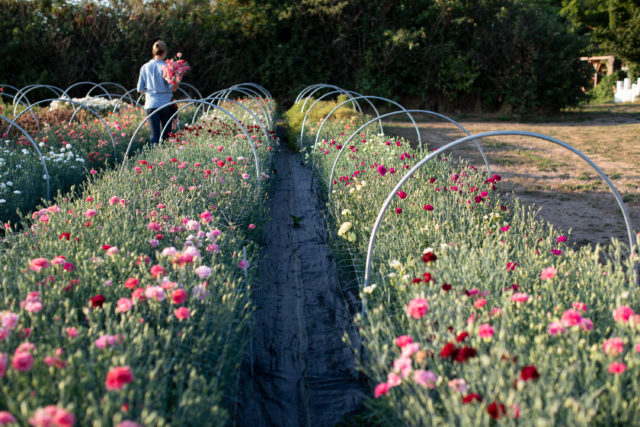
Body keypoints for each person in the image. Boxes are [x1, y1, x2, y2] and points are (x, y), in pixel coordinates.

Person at [137, 40, 178, 144]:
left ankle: (153, 158)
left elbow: (140, 89)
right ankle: (166, 158)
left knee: (154, 134)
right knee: (166, 134)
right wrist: (178, 79)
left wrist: (150, 93)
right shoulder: (167, 67)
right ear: (164, 52)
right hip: (166, 104)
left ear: (153, 51)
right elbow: (173, 88)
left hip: (150, 105)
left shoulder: (145, 67)